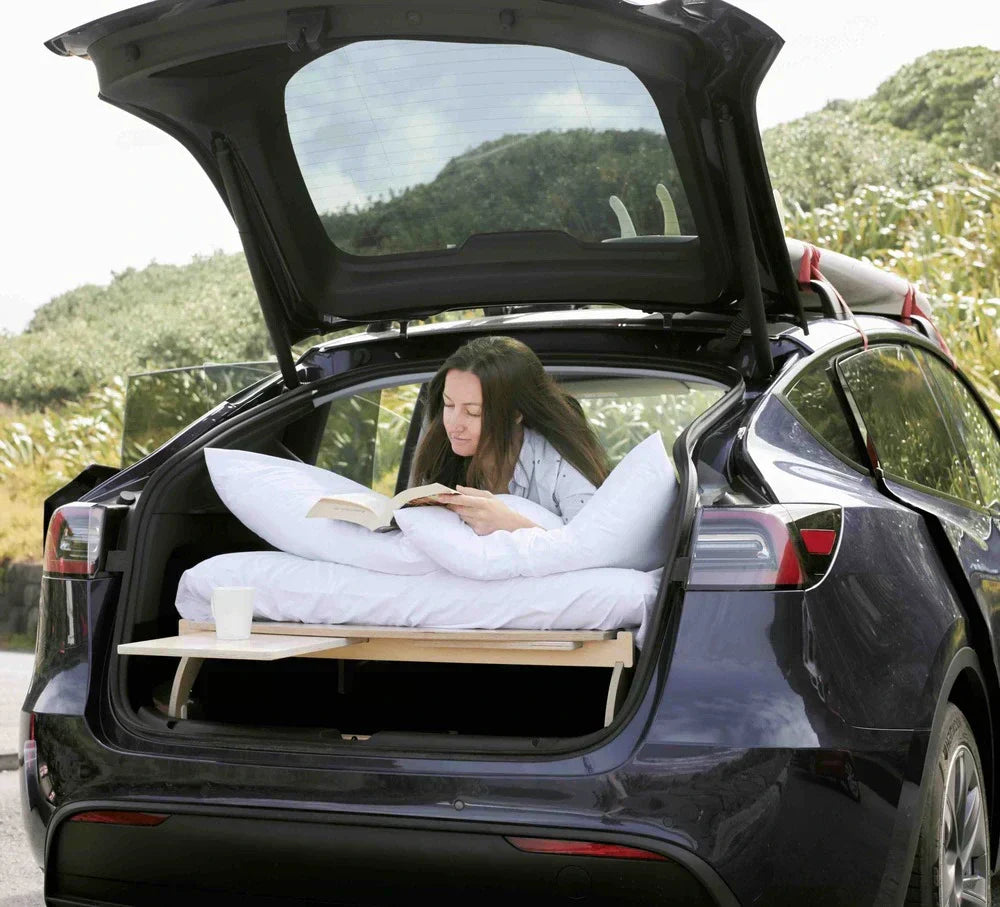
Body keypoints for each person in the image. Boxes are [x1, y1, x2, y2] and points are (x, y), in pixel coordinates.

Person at [410, 335, 609, 535]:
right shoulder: (441, 457)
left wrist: (511, 524)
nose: (454, 424)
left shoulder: (559, 465)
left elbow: (591, 543)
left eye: (473, 412)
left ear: (516, 414)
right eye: (449, 405)